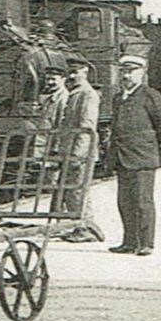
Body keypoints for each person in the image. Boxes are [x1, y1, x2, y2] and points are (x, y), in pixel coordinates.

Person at [106, 54, 161, 257]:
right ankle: (129, 241)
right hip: (121, 157)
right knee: (124, 202)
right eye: (123, 71)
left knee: (143, 202)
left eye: (131, 71)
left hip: (142, 157)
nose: (126, 75)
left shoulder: (151, 95)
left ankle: (146, 243)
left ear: (142, 73)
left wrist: (148, 146)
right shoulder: (118, 98)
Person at [57, 58, 103, 242]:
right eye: (70, 71)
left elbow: (87, 127)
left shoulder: (87, 94)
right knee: (73, 189)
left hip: (80, 151)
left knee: (78, 190)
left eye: (76, 71)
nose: (72, 75)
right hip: (70, 149)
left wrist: (77, 154)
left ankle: (85, 229)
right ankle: (81, 226)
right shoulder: (76, 92)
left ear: (85, 71)